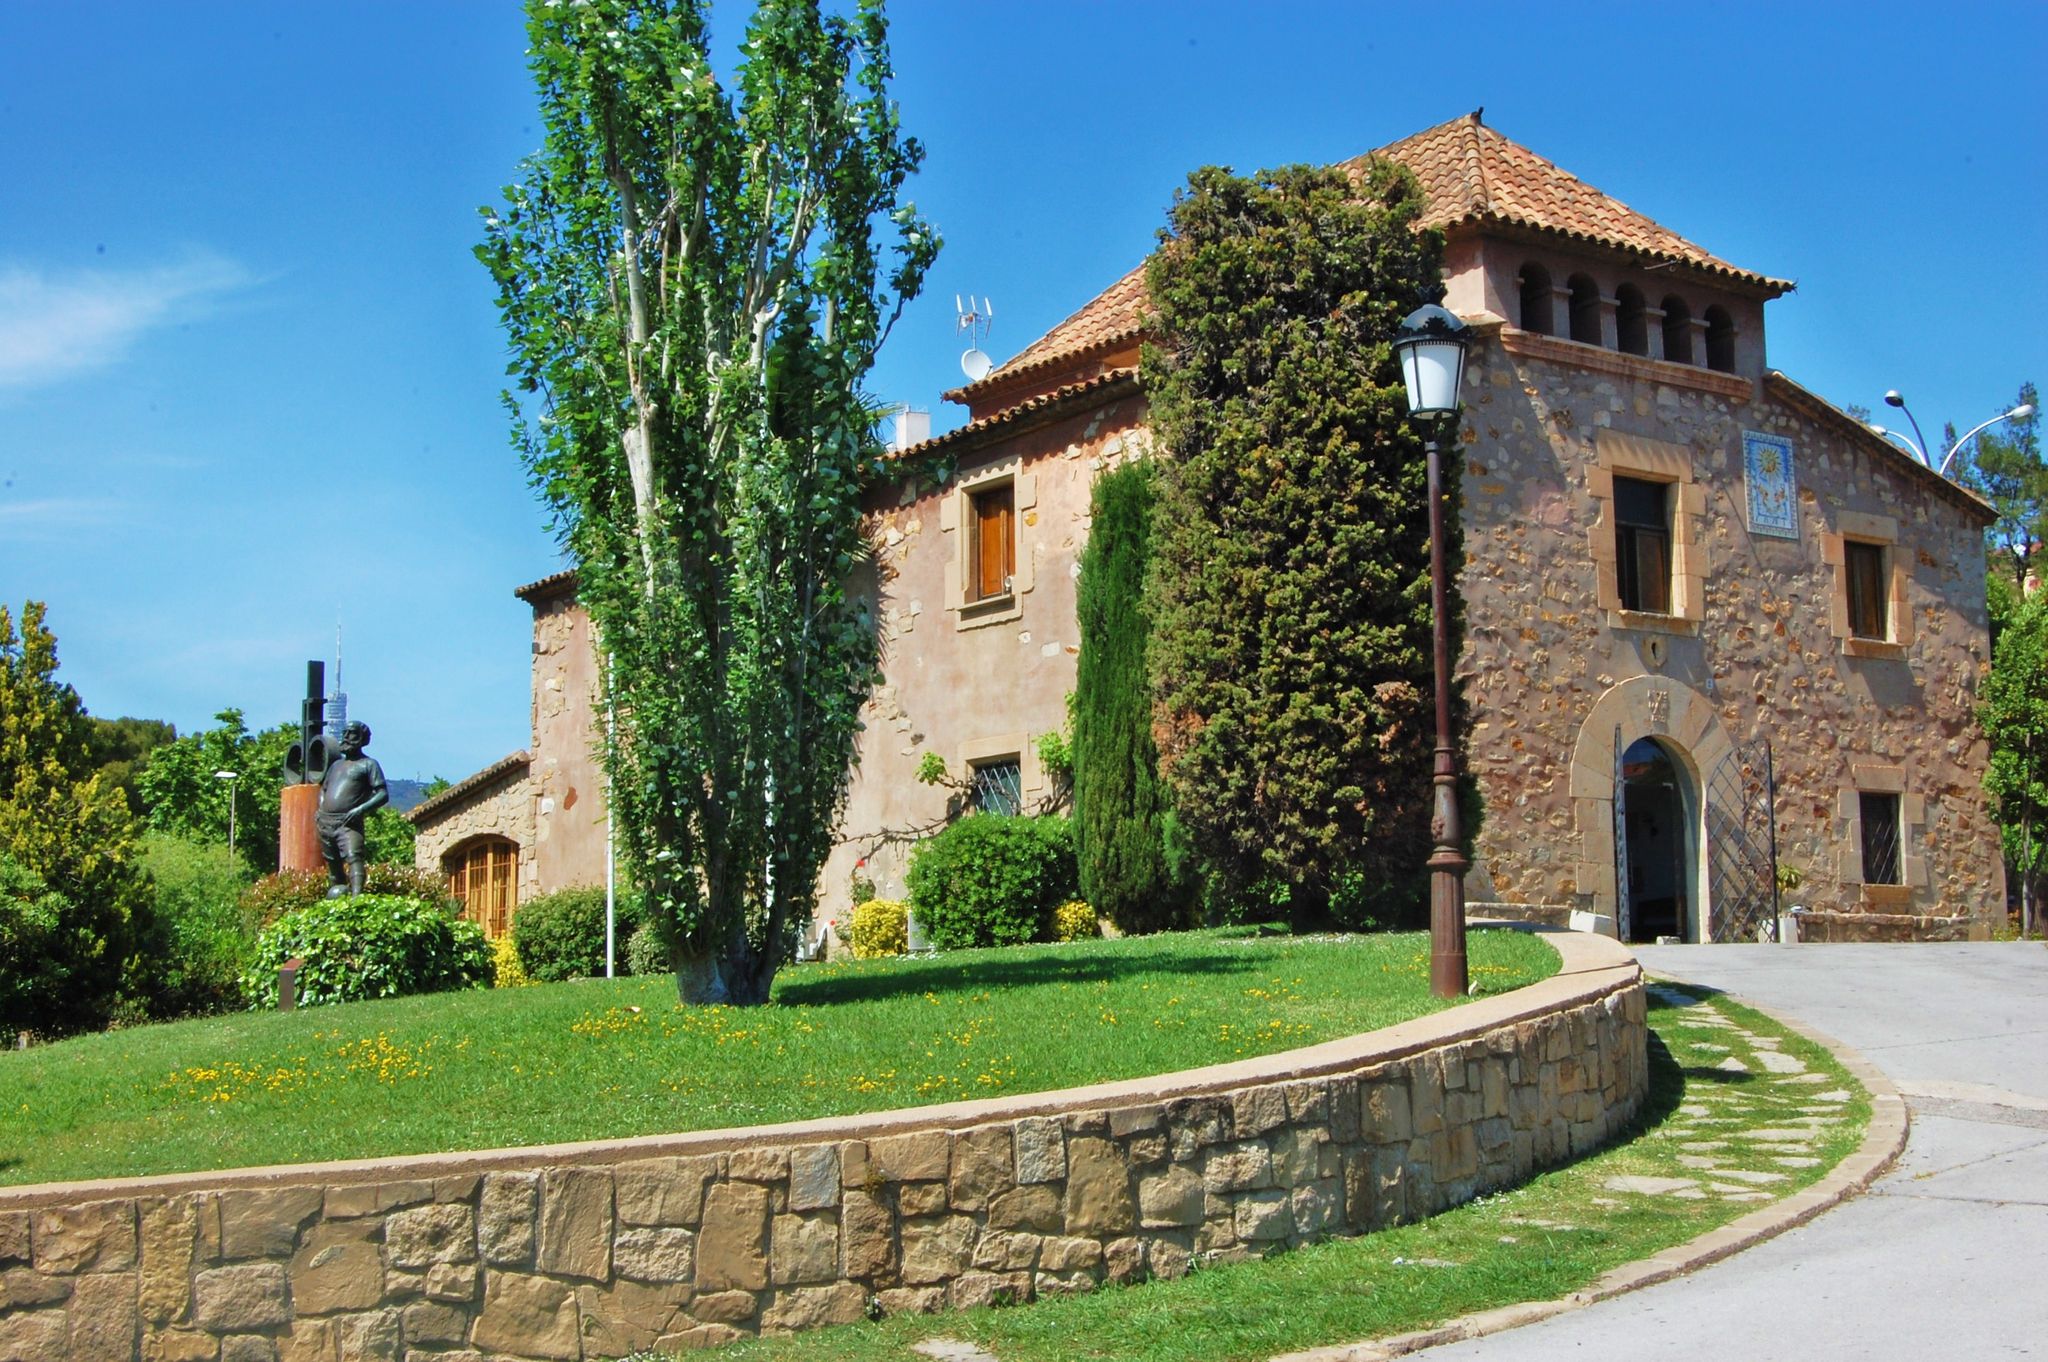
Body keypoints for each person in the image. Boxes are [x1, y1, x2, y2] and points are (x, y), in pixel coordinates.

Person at [318, 720, 388, 897]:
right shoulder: (335, 766)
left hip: (348, 822)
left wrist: (360, 810)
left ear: (362, 738)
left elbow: (382, 794)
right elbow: (323, 789)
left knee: (353, 857)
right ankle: (336, 901)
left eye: (352, 733)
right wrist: (320, 808)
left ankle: (357, 900)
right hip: (325, 823)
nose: (347, 737)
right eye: (345, 733)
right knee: (332, 864)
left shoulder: (368, 764)